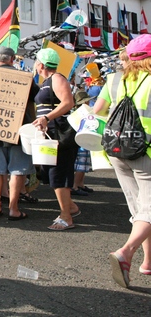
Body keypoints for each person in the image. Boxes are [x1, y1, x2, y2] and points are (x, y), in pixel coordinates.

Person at [92, 34, 151, 288]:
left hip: (118, 150)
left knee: (140, 209)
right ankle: (126, 251)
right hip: (146, 152)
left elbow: (98, 110)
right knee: (148, 210)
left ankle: (148, 262)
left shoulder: (115, 79)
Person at [0, 47, 39, 221]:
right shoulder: (24, 77)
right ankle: (13, 209)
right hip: (18, 128)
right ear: (12, 60)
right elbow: (37, 97)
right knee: (17, 170)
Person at [32, 48, 77, 230]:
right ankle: (71, 207)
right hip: (50, 135)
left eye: (36, 62)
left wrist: (46, 118)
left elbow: (68, 102)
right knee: (51, 172)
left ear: (41, 64)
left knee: (58, 173)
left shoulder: (57, 79)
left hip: (60, 134)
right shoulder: (45, 82)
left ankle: (66, 216)